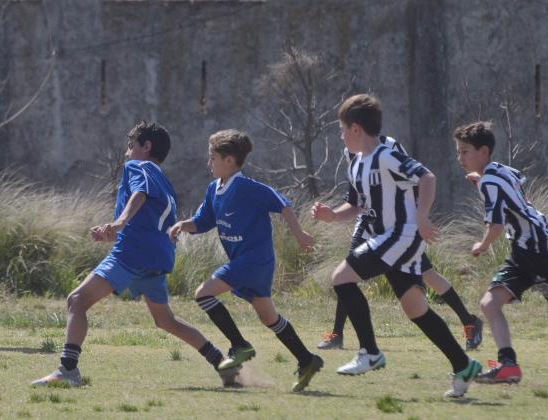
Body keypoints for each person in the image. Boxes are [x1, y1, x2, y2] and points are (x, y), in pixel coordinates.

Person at [31, 121, 231, 387]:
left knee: (77, 300)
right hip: (157, 257)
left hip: (133, 255)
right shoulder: (166, 183)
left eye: (130, 146)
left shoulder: (139, 166)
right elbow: (150, 218)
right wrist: (112, 232)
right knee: (166, 320)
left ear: (146, 147)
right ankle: (222, 363)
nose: (127, 153)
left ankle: (67, 371)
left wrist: (120, 223)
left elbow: (139, 194)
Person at [312, 94, 481, 397]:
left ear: (356, 129)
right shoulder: (356, 164)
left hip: (401, 235)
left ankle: (370, 352)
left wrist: (422, 216)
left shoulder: (386, 155)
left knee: (341, 278)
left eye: (341, 129)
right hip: (386, 236)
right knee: (415, 308)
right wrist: (330, 216)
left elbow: (426, 177)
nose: (340, 136)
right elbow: (356, 206)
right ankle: (463, 364)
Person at [170, 129, 324, 392]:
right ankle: (307, 359)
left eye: (213, 158)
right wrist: (181, 225)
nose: (209, 163)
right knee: (268, 317)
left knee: (203, 294)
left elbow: (282, 203)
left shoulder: (246, 187)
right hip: (249, 263)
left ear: (229, 160)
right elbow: (203, 222)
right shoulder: (214, 189)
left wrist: (299, 233)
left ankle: (240, 345)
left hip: (255, 261)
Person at [454, 121, 548, 384]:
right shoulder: (497, 171)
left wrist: (482, 246)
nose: (460, 157)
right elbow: (517, 187)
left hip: (538, 249)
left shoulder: (489, 182)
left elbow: (496, 224)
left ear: (483, 152)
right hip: (522, 250)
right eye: (458, 152)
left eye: (465, 152)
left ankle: (508, 366)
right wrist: (482, 179)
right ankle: (508, 366)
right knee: (489, 304)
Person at [317, 137, 483, 352]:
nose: (343, 134)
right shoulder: (351, 151)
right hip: (368, 224)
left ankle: (468, 321)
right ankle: (337, 334)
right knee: (347, 273)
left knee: (427, 274)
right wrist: (332, 215)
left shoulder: (389, 148)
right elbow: (356, 196)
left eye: (346, 127)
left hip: (399, 229)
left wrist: (418, 218)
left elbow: (418, 180)